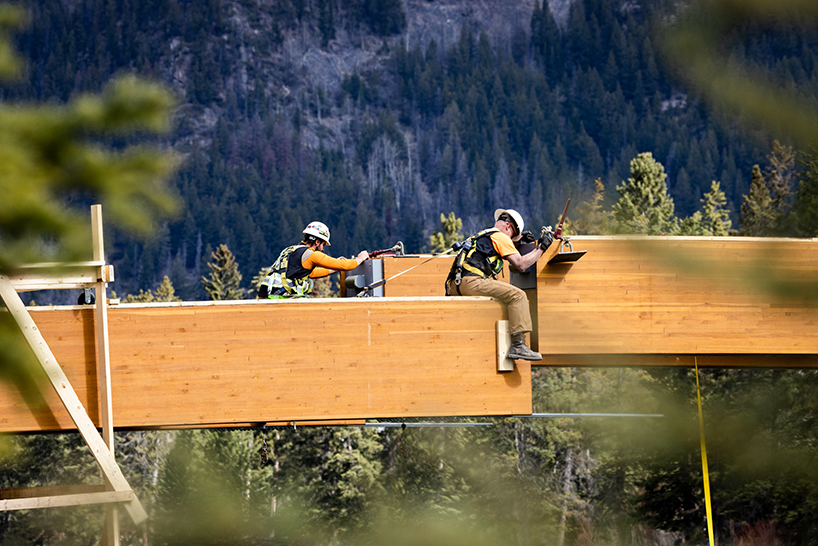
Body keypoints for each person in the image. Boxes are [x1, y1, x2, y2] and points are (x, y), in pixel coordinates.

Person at [445, 208, 553, 361]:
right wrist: (541, 247)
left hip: (455, 286)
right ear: (508, 227)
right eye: (513, 236)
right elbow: (520, 265)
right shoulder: (501, 237)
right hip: (472, 283)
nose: (512, 240)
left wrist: (519, 240)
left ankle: (518, 343)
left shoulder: (483, 235)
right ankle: (518, 345)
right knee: (518, 295)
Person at [258, 221, 369, 298]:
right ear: (317, 242)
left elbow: (310, 273)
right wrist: (359, 259)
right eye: (323, 245)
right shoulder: (312, 255)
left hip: (268, 295)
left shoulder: (291, 250)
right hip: (284, 298)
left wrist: (334, 269)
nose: (323, 249)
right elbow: (343, 265)